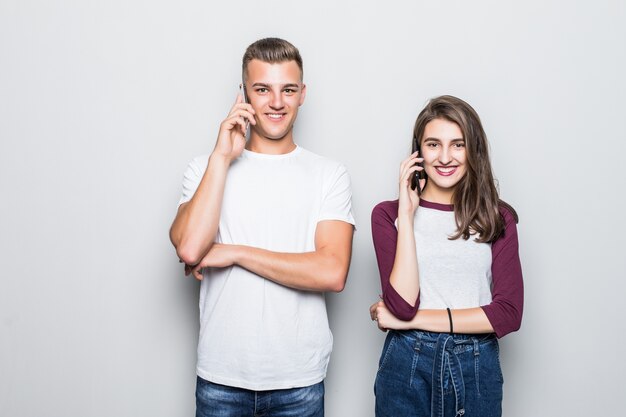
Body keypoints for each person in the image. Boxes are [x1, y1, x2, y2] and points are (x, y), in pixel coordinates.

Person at [170, 38, 355, 417]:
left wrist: (234, 252)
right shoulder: (206, 168)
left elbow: (332, 271)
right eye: (262, 89)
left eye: (287, 89)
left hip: (298, 382)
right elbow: (190, 249)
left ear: (302, 94)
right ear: (243, 95)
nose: (276, 102)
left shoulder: (328, 175)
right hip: (221, 379)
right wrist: (222, 157)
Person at [369, 95, 523, 417]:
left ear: (472, 151)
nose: (445, 157)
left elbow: (507, 314)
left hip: (476, 366)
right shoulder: (388, 216)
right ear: (418, 153)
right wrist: (408, 215)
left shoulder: (497, 218)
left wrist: (409, 321)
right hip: (406, 361)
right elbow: (402, 304)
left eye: (458, 145)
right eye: (433, 144)